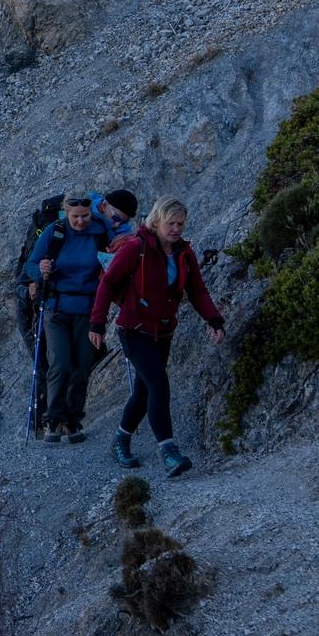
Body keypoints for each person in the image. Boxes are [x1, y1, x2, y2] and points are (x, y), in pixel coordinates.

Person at [89, 197, 225, 477]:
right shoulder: (136, 248)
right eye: (170, 223)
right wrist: (97, 324)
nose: (176, 229)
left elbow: (197, 291)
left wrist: (214, 319)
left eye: (180, 223)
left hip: (163, 331)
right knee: (159, 384)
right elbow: (108, 284)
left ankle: (120, 440)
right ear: (157, 221)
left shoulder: (184, 254)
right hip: (134, 330)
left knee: (144, 389)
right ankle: (169, 451)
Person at [26, 193, 113, 443]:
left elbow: (120, 249)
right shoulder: (55, 232)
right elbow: (30, 266)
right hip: (57, 307)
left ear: (91, 213)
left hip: (88, 309)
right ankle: (53, 420)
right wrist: (40, 269)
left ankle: (73, 421)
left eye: (85, 216)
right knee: (61, 363)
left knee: (82, 365)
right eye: (75, 216)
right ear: (67, 213)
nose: (80, 221)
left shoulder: (100, 230)